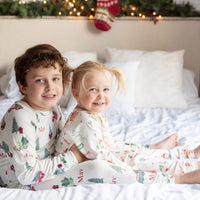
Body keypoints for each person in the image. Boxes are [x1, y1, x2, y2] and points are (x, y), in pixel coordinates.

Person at [0, 45, 200, 191]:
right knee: (96, 166)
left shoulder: (52, 108)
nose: (50, 87)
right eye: (39, 81)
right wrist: (75, 156)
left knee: (106, 148)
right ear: (22, 86)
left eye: (55, 79)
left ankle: (173, 156)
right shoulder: (19, 116)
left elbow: (60, 141)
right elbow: (26, 175)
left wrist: (80, 150)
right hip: (21, 182)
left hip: (51, 164)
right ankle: (178, 178)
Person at [56, 60, 200, 175]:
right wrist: (129, 165)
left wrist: (129, 152)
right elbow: (100, 157)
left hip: (101, 152)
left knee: (130, 150)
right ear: (76, 94)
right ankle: (189, 166)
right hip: (87, 165)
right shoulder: (84, 119)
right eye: (93, 90)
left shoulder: (94, 114)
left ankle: (182, 153)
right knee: (136, 159)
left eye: (106, 90)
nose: (101, 96)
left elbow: (108, 143)